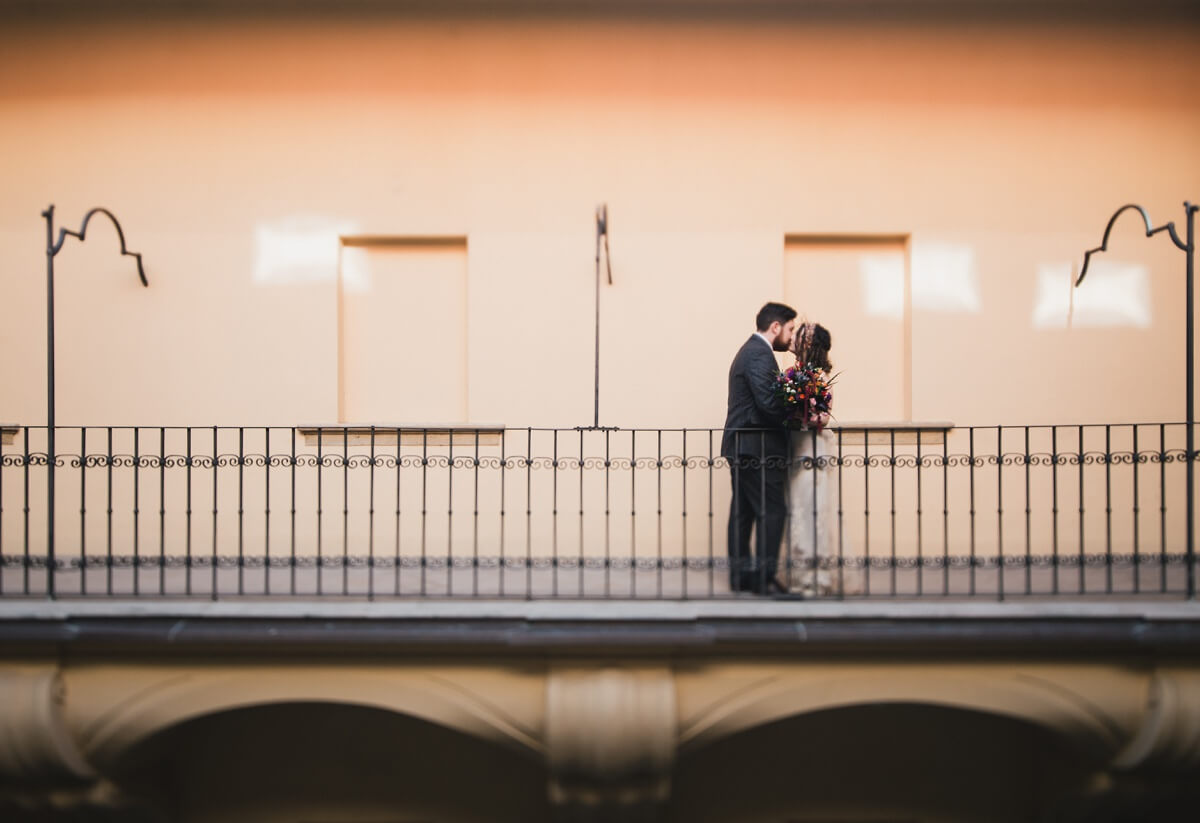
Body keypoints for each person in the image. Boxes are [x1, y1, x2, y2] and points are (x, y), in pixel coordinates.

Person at [721, 302, 796, 594]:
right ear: (775, 327)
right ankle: (764, 579)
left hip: (745, 445)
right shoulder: (758, 354)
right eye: (789, 329)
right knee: (772, 510)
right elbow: (768, 404)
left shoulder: (752, 351)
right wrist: (798, 416)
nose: (790, 337)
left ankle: (741, 578)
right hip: (756, 447)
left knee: (743, 512)